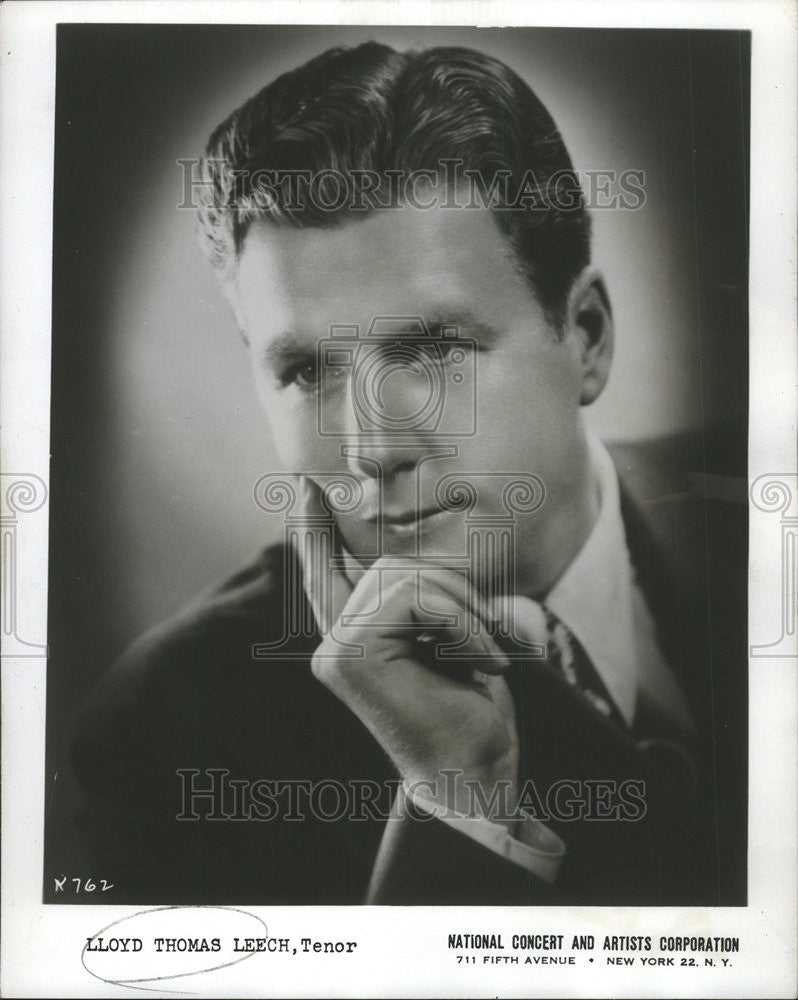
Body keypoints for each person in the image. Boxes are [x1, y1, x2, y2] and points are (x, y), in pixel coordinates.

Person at [70, 42, 747, 905]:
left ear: (587, 335)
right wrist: (454, 803)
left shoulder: (761, 508)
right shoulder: (162, 742)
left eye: (431, 351)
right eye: (308, 371)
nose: (372, 449)